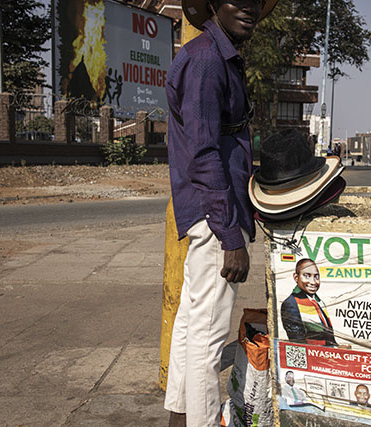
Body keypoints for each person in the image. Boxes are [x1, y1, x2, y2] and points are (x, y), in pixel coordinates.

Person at [163, 1, 277, 426]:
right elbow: (204, 153)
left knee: (192, 325)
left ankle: (179, 416)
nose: (248, 8)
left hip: (212, 210)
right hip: (216, 215)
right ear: (214, 4)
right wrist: (231, 235)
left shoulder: (215, 53)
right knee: (208, 340)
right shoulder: (208, 61)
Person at [280, 259, 338, 346]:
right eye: (307, 276)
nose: (313, 282)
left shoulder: (317, 302)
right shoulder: (291, 304)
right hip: (314, 354)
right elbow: (298, 341)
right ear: (296, 277)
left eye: (316, 277)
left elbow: (327, 334)